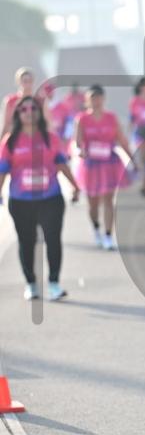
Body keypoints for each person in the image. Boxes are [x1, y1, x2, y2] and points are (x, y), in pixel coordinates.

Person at [0, 96, 80, 300]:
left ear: (40, 112)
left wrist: (75, 186)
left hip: (50, 198)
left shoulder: (51, 138)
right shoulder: (10, 140)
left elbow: (61, 164)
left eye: (33, 108)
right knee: (27, 242)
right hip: (21, 201)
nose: (29, 112)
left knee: (53, 240)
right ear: (18, 114)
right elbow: (2, 170)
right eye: (24, 109)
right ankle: (31, 283)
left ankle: (54, 283)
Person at [74, 85, 135, 250]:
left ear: (103, 99)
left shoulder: (111, 118)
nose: (96, 101)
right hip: (91, 165)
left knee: (108, 200)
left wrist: (133, 160)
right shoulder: (82, 119)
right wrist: (81, 151)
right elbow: (78, 142)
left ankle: (108, 235)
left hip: (109, 164)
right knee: (93, 203)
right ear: (87, 100)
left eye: (99, 98)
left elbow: (122, 140)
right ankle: (96, 229)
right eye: (92, 98)